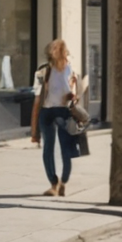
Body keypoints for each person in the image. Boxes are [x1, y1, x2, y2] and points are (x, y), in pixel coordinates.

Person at [29, 40, 81, 197]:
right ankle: (58, 183)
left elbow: (38, 100)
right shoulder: (44, 71)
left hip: (56, 112)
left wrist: (73, 94)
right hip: (52, 112)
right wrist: (34, 130)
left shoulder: (68, 69)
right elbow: (38, 99)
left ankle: (58, 183)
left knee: (55, 149)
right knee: (56, 148)